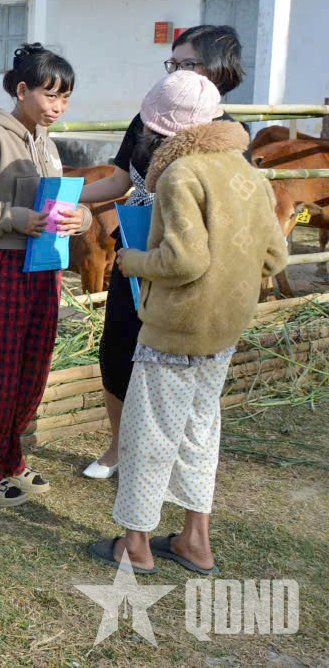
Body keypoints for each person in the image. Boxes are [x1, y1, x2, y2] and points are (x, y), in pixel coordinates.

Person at [89, 70, 287, 574]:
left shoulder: (181, 175)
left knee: (147, 434)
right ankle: (195, 541)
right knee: (202, 430)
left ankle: (136, 546)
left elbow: (182, 262)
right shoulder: (248, 173)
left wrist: (130, 260)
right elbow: (275, 258)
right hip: (224, 328)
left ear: (162, 129)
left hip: (174, 327)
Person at [78, 25, 246, 479]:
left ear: (217, 70)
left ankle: (164, 459)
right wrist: (72, 198)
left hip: (185, 268)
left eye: (186, 63)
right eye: (172, 64)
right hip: (132, 255)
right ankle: (118, 447)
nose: (175, 73)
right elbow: (121, 179)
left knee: (172, 362)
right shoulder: (149, 115)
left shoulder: (229, 135)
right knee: (117, 349)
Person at [0, 44, 92, 507]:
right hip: (4, 267)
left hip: (45, 270)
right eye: (51, 96)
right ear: (22, 90)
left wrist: (81, 217)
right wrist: (13, 217)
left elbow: (61, 204)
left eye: (65, 98)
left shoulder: (46, 144)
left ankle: (8, 459)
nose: (59, 107)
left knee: (32, 372)